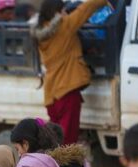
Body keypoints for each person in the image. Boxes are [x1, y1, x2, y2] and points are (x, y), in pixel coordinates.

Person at [31, 0, 107, 145]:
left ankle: (52, 166)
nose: (66, 13)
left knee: (54, 141)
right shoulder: (63, 26)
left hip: (51, 94)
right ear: (57, 12)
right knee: (67, 142)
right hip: (67, 92)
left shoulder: (40, 33)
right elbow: (85, 9)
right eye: (63, 10)